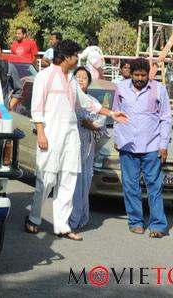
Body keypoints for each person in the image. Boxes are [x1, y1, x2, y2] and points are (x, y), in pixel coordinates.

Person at [24, 40, 127, 240]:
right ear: (65, 57)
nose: (77, 59)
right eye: (75, 55)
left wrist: (111, 113)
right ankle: (34, 219)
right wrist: (41, 133)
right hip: (51, 134)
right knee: (46, 179)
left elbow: (85, 103)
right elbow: (36, 107)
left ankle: (62, 225)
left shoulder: (71, 79)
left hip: (71, 135)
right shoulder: (44, 77)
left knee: (69, 179)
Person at [112, 58, 172, 238]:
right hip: (127, 145)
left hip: (152, 146)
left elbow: (166, 118)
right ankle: (136, 222)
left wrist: (163, 145)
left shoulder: (158, 89)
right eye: (136, 75)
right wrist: (117, 137)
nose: (139, 79)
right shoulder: (121, 88)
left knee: (155, 186)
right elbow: (116, 113)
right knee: (130, 186)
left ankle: (157, 225)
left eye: (143, 75)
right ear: (130, 74)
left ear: (148, 75)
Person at [69, 66, 107, 232]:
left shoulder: (92, 101)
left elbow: (100, 121)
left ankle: (80, 218)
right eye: (77, 76)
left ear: (89, 81)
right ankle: (69, 218)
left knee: (84, 181)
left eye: (84, 77)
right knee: (70, 182)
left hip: (86, 147)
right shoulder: (69, 99)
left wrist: (89, 124)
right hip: (69, 146)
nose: (80, 79)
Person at [0, 41, 22, 110]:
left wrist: (8, 107)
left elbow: (19, 90)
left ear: (1, 52)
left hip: (1, 111)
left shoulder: (9, 67)